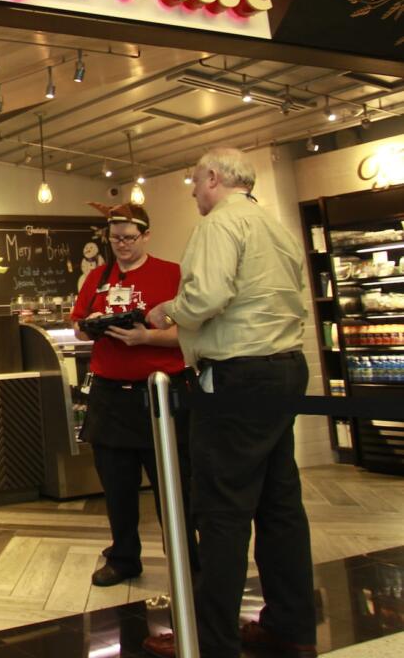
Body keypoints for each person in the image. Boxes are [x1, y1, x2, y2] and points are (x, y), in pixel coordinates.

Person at [144, 148, 315, 658]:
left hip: (236, 377)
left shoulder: (220, 225)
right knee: (280, 505)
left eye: (196, 182)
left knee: (221, 510)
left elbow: (205, 299)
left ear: (214, 178)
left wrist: (164, 311)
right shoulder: (274, 225)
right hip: (284, 369)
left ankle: (209, 639)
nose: (194, 192)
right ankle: (290, 624)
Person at [70, 203, 196, 588]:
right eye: (114, 238)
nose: (121, 245)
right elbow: (76, 327)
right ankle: (123, 557)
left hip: (162, 391)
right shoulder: (97, 278)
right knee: (117, 484)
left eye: (128, 238)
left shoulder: (172, 274)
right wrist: (91, 327)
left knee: (173, 480)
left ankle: (188, 555)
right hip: (110, 393)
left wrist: (146, 337)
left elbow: (191, 331)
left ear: (146, 235)